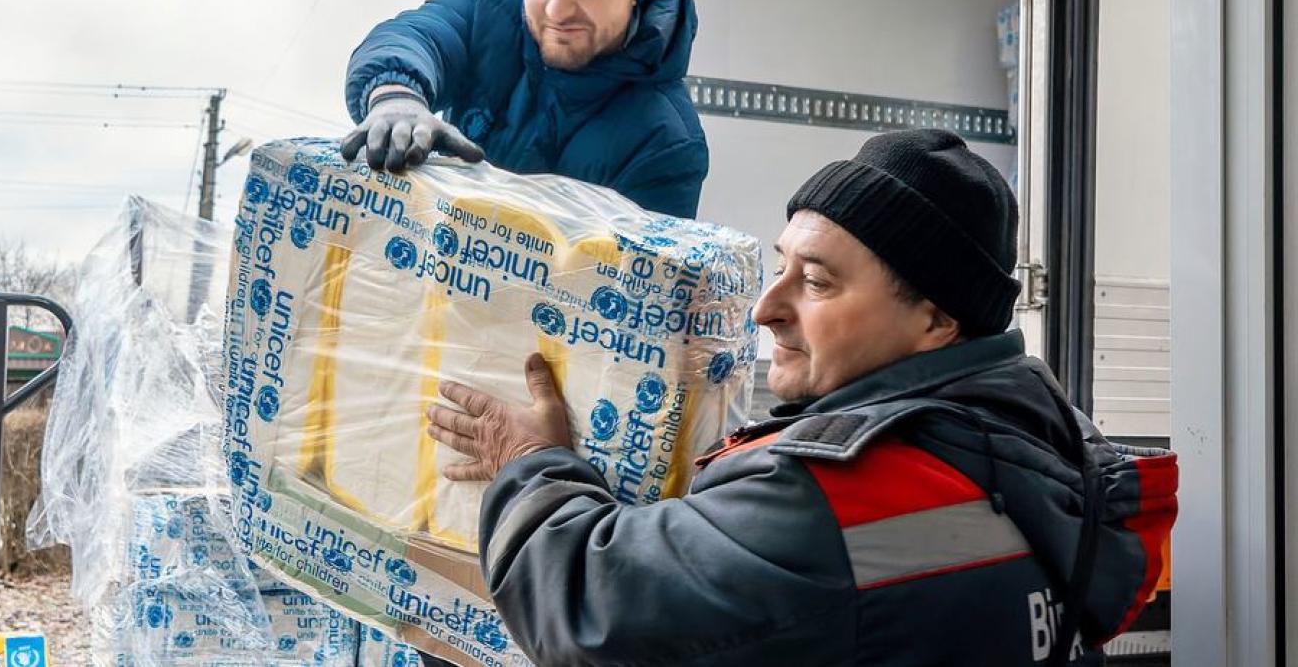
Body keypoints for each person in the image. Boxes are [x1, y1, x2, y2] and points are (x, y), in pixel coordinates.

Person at [424, 129, 1179, 665]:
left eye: (816, 281)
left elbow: (586, 601)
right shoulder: (1042, 442)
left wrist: (530, 459)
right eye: (780, 264)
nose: (766, 308)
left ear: (936, 318)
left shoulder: (836, 499)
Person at [341, 0, 708, 218]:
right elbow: (415, 35)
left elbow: (641, 288)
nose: (557, 9)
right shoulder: (488, 5)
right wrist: (395, 95)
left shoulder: (666, 143)